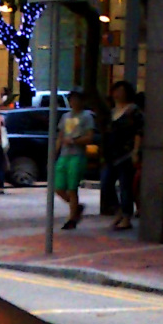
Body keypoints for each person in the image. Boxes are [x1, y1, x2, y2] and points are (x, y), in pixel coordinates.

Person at [101, 80, 143, 230]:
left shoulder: (133, 110)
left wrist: (136, 151)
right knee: (106, 183)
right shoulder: (112, 112)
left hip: (125, 153)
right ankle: (118, 211)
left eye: (121, 91)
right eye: (116, 91)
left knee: (125, 186)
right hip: (111, 154)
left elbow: (139, 132)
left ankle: (126, 216)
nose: (117, 94)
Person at [54, 89, 95, 229]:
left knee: (72, 188)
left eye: (77, 99)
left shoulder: (87, 116)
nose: (74, 102)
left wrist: (75, 141)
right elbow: (60, 135)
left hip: (77, 155)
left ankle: (72, 218)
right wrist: (55, 152)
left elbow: (90, 136)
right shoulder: (65, 117)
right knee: (58, 187)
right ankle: (76, 207)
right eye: (72, 100)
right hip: (64, 154)